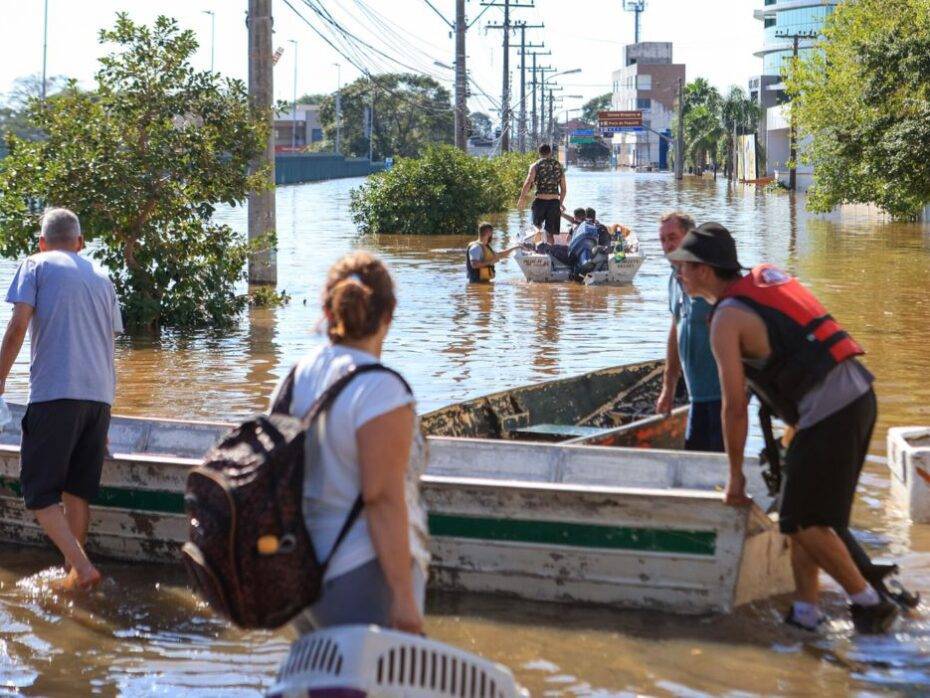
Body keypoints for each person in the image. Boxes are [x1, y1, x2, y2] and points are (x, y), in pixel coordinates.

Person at [668, 222, 899, 634]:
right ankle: (806, 613)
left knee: (799, 520)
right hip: (856, 396)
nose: (679, 274)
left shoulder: (725, 319)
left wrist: (735, 478)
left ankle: (868, 601)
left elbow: (734, 407)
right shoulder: (760, 285)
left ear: (704, 269)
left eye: (682, 266)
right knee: (805, 516)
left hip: (833, 411)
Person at [274, 251, 429, 634]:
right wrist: (404, 599)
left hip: (300, 572)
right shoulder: (382, 390)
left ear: (327, 310)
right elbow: (382, 499)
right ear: (389, 314)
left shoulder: (296, 376)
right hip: (361, 572)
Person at [0, 208, 123, 591]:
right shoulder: (103, 278)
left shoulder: (35, 265)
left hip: (56, 395)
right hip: (98, 399)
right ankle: (75, 576)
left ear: (41, 242)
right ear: (80, 243)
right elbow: (109, 344)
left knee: (38, 493)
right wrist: (105, 418)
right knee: (76, 491)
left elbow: (19, 325)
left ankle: (82, 568)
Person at [655, 212, 724, 452]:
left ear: (691, 237)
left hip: (722, 396)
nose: (667, 245)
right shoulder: (674, 279)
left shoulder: (709, 276)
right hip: (697, 397)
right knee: (695, 463)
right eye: (662, 240)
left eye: (673, 237)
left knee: (716, 467)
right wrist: (668, 386)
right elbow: (676, 330)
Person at [517, 144, 567, 244]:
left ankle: (537, 245)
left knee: (536, 227)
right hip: (554, 202)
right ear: (550, 153)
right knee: (550, 233)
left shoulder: (535, 166)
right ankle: (551, 252)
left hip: (540, 202)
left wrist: (521, 198)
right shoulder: (559, 166)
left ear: (539, 153)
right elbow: (564, 189)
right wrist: (560, 203)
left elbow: (528, 183)